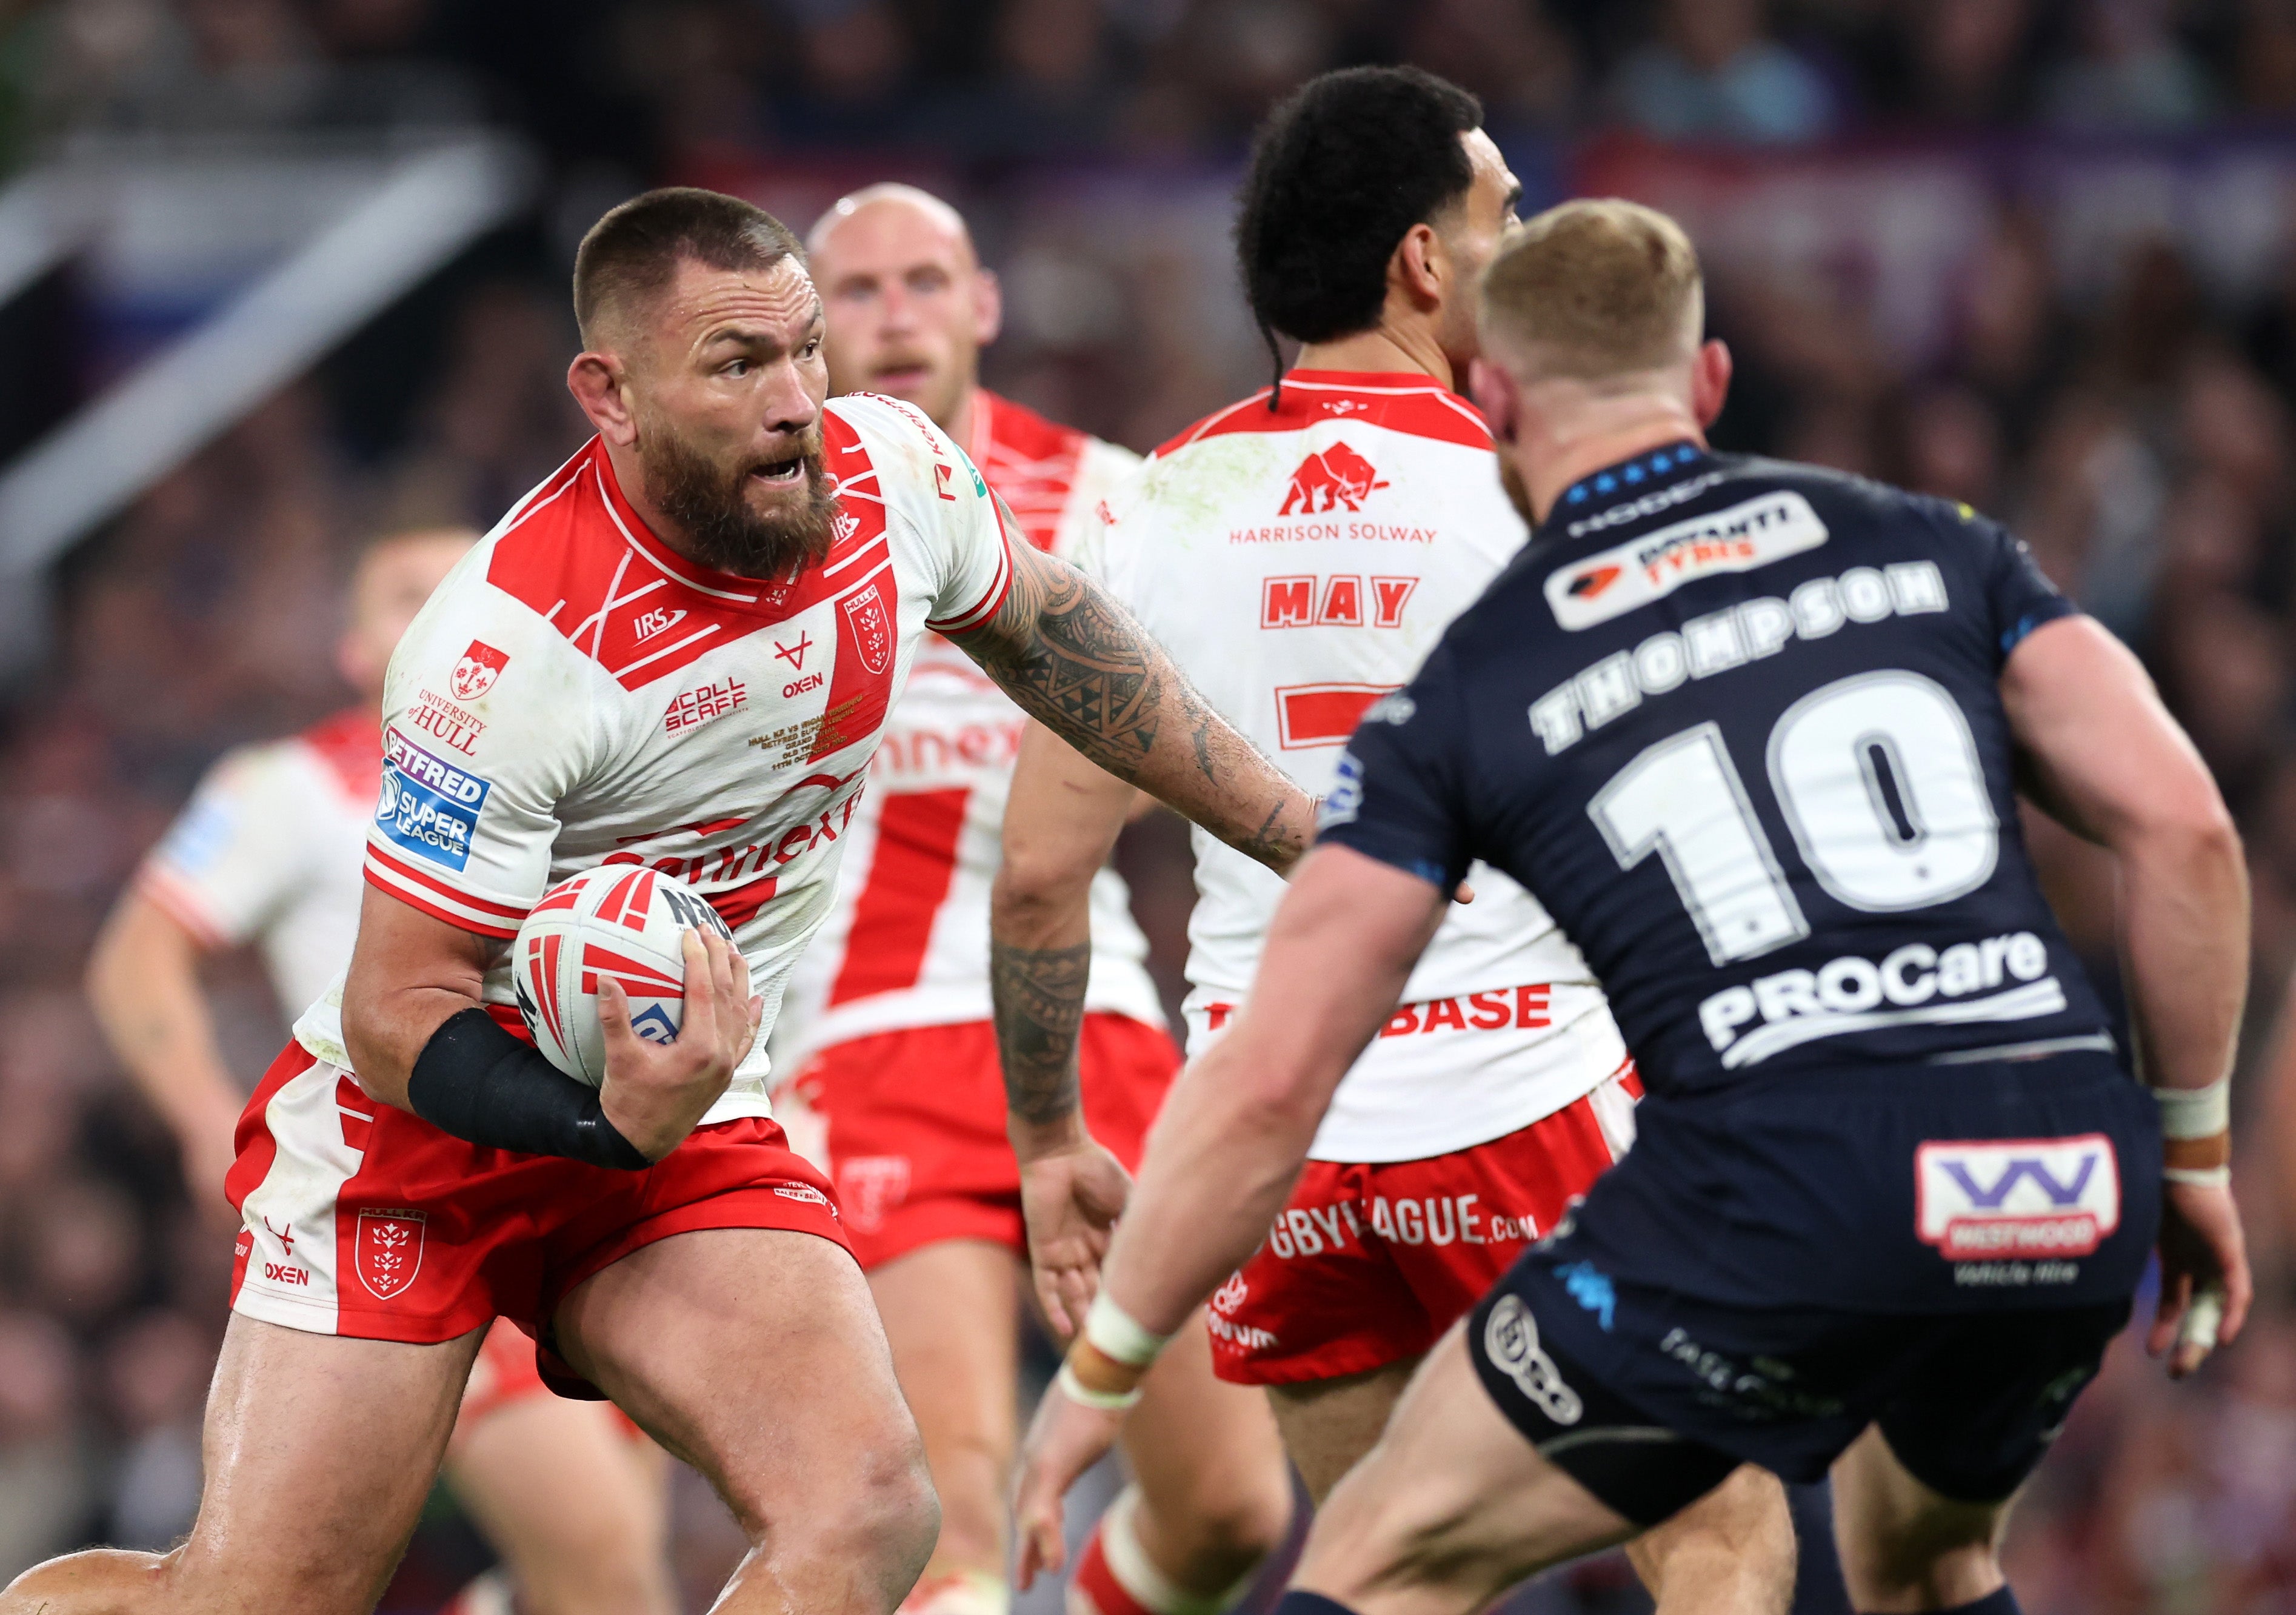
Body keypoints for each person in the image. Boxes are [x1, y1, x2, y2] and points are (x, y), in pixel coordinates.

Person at [3, 186, 1317, 1615]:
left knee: (869, 1509)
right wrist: (589, 1121)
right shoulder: (505, 648)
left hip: (685, 1109)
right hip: (426, 1140)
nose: (803, 401)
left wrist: (1295, 828)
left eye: (806, 349)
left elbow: (1058, 638)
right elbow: (395, 1011)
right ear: (609, 394)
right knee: (258, 1601)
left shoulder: (895, 479)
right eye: (740, 366)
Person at [1013, 198, 2253, 1615]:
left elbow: (1274, 1072)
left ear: (1492, 400)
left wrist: (1101, 1371)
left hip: (1791, 1176)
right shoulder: (1934, 543)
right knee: (1930, 1562)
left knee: (1382, 1555)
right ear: (1710, 380)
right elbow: (2188, 829)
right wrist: (2194, 1161)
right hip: (2054, 1163)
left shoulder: (1486, 673)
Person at [992, 67, 1795, 1615]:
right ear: (1424, 263)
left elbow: (1038, 876)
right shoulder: (1545, 487)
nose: (1530, 239)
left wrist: (1045, 1142)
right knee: (1716, 1526)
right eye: (1506, 214)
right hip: (1532, 1101)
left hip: (1279, 1148)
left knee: (1385, 1567)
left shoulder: (1150, 510)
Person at [783, 184, 1292, 1615]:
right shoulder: (765, 523)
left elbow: (1205, 736)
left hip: (1097, 1018)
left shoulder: (1118, 494)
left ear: (983, 307)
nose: (895, 316)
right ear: (810, 336)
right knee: (948, 1503)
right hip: (872, 1036)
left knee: (1231, 1511)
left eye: (922, 283)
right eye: (859, 294)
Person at [85, 528, 679, 1615]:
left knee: (589, 1565)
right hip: (420, 1196)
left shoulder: (579, 784)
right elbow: (137, 957)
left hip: (589, 1203)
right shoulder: (290, 786)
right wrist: (203, 1119)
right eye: (410, 595)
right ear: (357, 651)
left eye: (469, 587)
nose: (450, 610)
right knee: (606, 1568)